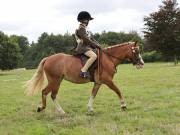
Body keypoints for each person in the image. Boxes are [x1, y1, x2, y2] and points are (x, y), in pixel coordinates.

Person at [75, 11, 100, 78]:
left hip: (87, 46)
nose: (88, 21)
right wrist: (95, 45)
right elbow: (86, 39)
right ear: (83, 20)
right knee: (94, 56)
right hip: (82, 47)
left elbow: (91, 38)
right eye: (88, 20)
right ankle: (83, 71)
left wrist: (98, 44)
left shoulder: (86, 28)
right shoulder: (81, 28)